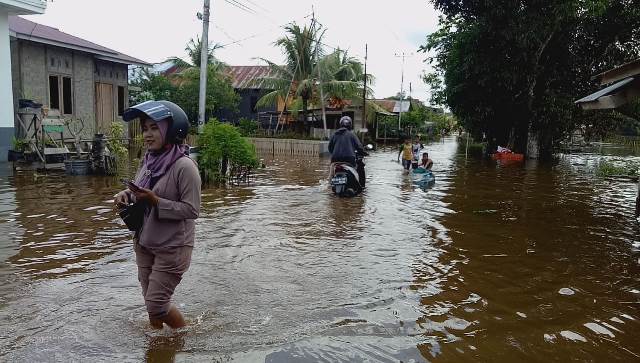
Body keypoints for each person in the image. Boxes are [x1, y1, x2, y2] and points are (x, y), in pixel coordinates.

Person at [114, 100, 201, 330]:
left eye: (154, 128)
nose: (147, 134)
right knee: (150, 303)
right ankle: (158, 346)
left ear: (171, 130)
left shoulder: (185, 167)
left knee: (157, 305)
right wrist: (126, 195)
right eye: (145, 128)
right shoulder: (149, 160)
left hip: (172, 247)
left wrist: (156, 201)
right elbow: (138, 190)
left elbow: (192, 210)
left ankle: (183, 337)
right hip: (145, 241)